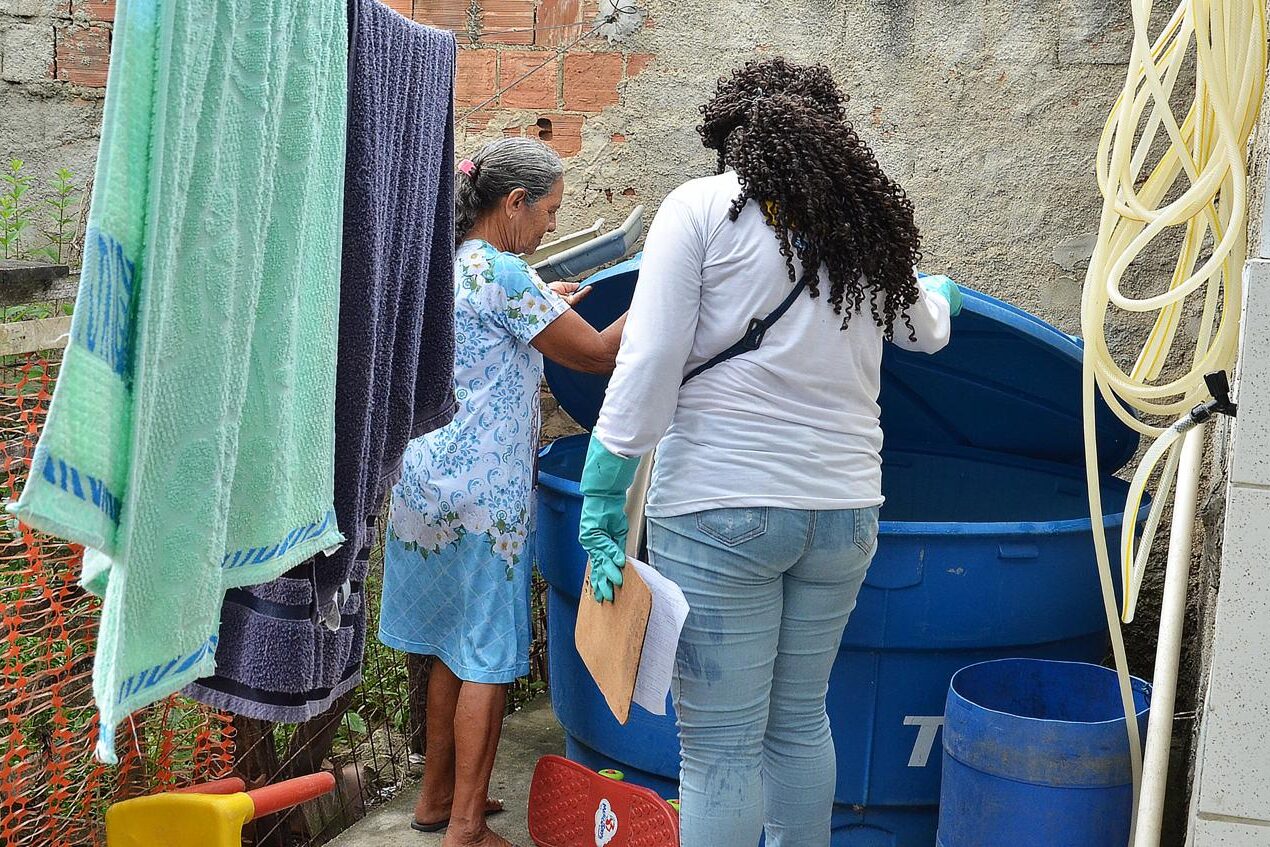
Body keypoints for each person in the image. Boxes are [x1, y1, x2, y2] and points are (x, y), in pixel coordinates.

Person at [577, 58, 962, 847]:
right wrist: (942, 290)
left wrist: (602, 490)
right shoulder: (861, 229)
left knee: (720, 748)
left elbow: (647, 361)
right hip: (845, 513)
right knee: (799, 723)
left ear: (730, 138)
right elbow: (927, 329)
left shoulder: (700, 209)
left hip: (721, 509)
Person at [379, 137, 626, 847]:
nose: (551, 225)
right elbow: (599, 353)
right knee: (485, 654)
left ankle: (434, 801)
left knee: (449, 647)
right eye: (547, 211)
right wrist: (662, 295)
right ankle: (465, 827)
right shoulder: (508, 275)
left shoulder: (450, 263)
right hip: (483, 500)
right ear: (513, 203)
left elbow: (501, 324)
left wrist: (547, 299)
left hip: (423, 485)